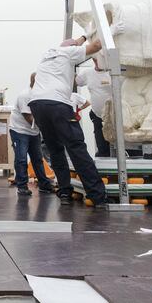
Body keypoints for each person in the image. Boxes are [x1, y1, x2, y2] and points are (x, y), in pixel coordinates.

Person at [29, 35, 109, 208]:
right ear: (72, 48)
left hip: (37, 104)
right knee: (76, 148)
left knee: (55, 149)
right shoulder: (69, 53)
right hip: (58, 104)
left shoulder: (47, 55)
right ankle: (98, 197)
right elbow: (95, 46)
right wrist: (109, 30)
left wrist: (84, 36)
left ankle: (65, 191)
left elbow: (76, 44)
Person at [9, 73, 56, 196]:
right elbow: (28, 117)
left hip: (34, 131)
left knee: (37, 159)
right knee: (21, 159)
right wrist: (47, 128)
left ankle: (44, 185)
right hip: (19, 131)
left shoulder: (41, 94)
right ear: (34, 81)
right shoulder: (25, 96)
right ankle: (22, 186)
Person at [76, 58, 113, 157]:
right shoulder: (87, 73)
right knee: (102, 146)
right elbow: (74, 82)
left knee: (117, 145)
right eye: (95, 60)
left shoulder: (113, 72)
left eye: (99, 59)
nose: (97, 62)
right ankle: (106, 169)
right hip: (98, 116)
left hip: (114, 117)